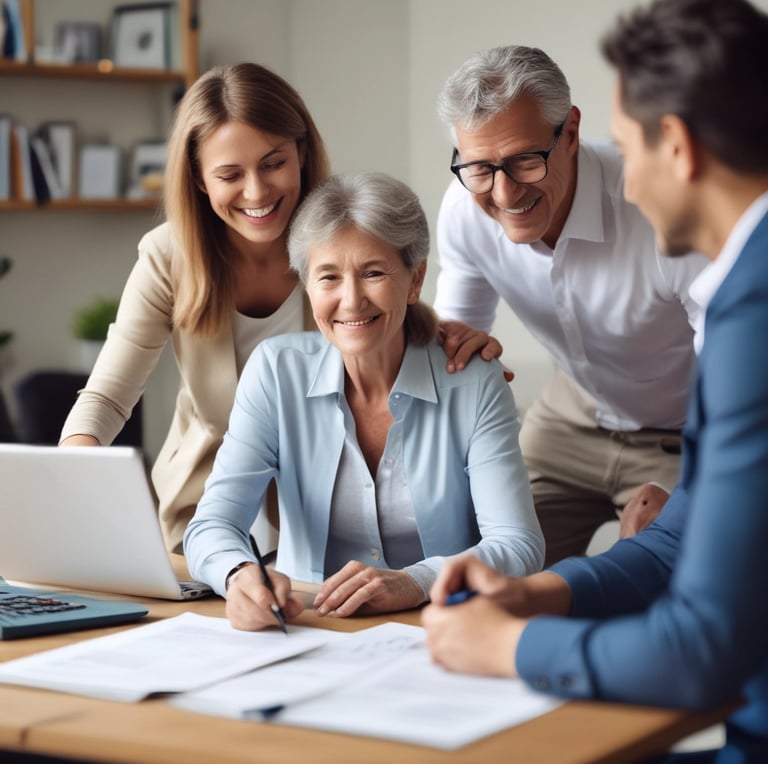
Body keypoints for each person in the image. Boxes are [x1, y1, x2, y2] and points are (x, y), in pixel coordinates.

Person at [423, 1, 768, 761]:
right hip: (577, 410)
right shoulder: (751, 277)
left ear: (673, 146)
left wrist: (506, 650)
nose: (627, 179)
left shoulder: (751, 309)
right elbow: (684, 533)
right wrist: (534, 593)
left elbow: (694, 649)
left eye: (627, 144)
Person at [58, 63, 491, 554]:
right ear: (200, 180)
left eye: (272, 163)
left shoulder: (336, 241)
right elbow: (107, 399)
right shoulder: (167, 257)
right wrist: (71, 486)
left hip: (324, 499)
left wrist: (454, 337)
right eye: (229, 174)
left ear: (302, 154)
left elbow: (387, 317)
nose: (257, 192)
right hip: (208, 502)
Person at [183, 172, 545, 630]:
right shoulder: (275, 372)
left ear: (415, 281)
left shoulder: (472, 381)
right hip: (307, 628)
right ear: (306, 285)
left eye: (374, 273)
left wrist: (416, 581)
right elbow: (210, 526)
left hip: (439, 630)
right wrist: (240, 575)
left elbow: (518, 544)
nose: (351, 300)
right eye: (328, 277)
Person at [433, 43, 709, 565]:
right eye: (480, 168)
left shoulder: (662, 211)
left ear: (572, 132)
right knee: (481, 570)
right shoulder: (465, 209)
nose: (505, 193)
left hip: (685, 432)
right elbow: (452, 347)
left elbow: (737, 375)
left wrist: (692, 491)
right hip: (571, 416)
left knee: (659, 579)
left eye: (524, 161)